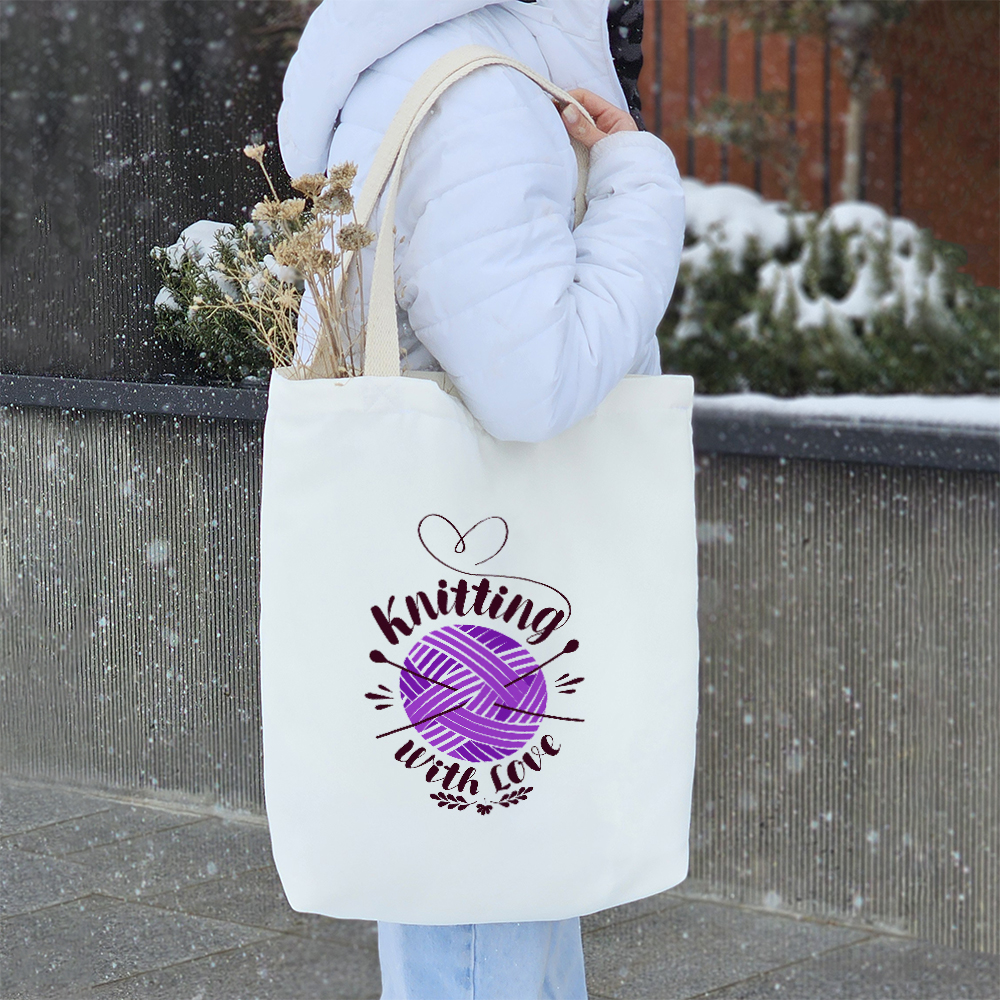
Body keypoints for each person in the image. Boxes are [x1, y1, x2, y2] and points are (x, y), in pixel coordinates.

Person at [278, 1, 685, 996]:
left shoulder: (432, 60)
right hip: (491, 600)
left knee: (489, 893)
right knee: (482, 913)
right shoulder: (479, 95)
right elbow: (532, 384)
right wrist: (637, 185)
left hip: (460, 593)